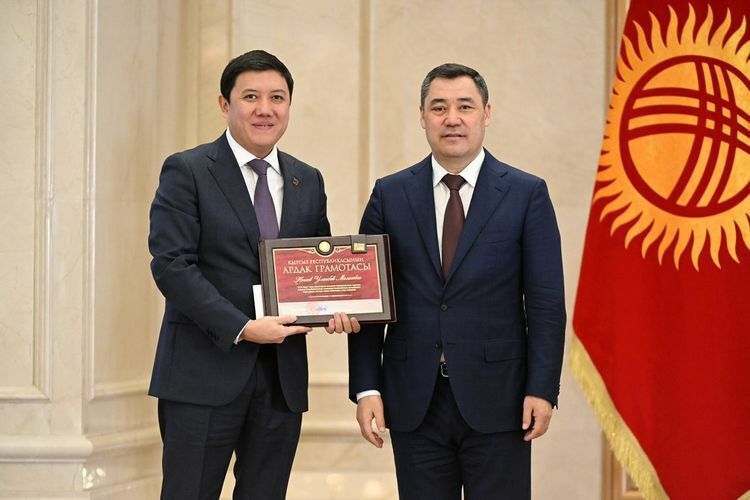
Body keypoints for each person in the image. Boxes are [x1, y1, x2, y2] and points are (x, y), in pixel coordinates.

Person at [348, 63, 565, 499]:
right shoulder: (390, 194)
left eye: (465, 106)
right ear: (422, 116)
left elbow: (546, 304)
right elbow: (369, 300)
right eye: (439, 107)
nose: (452, 118)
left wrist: (542, 389)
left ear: (486, 113)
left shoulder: (526, 194)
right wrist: (367, 387)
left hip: (501, 399)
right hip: (413, 400)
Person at [148, 49, 359, 500]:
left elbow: (317, 266)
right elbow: (171, 264)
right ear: (225, 104)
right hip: (202, 374)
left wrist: (336, 307)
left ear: (289, 105)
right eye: (251, 97)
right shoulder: (188, 170)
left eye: (277, 97)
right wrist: (243, 327)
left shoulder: (308, 179)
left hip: (281, 380)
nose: (265, 109)